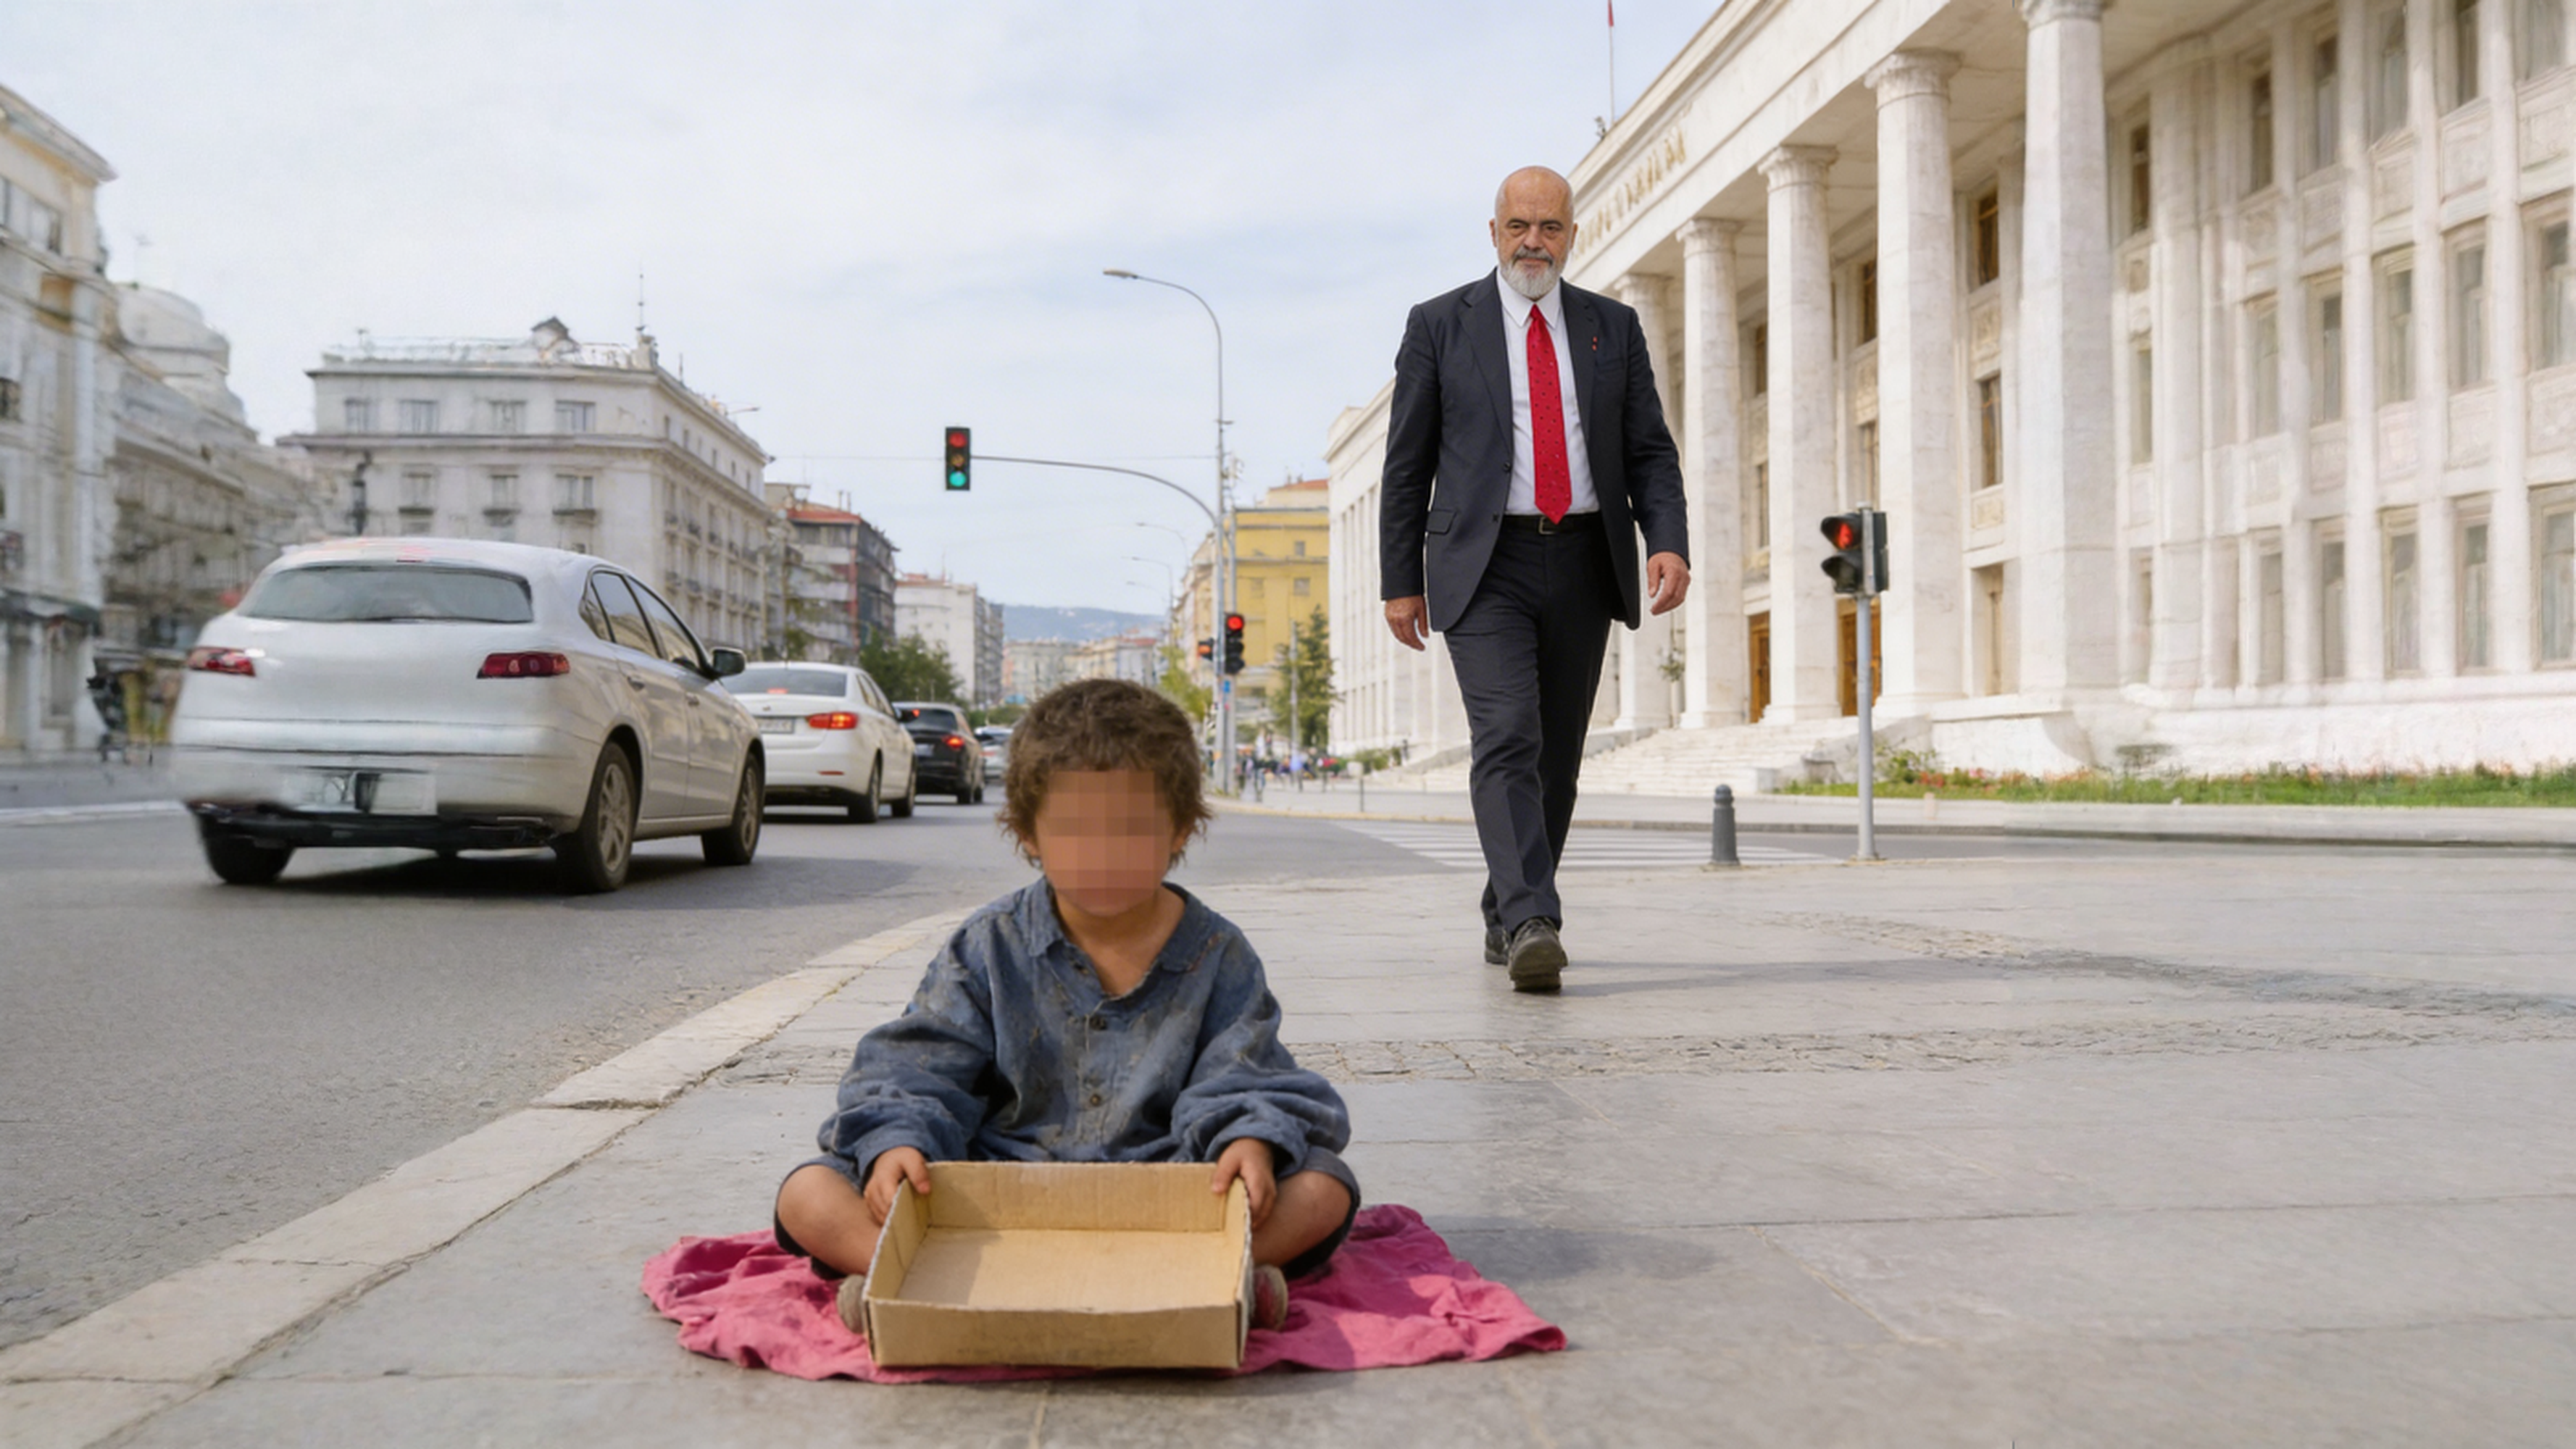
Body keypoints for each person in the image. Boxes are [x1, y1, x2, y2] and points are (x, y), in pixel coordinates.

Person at [772, 678, 1359, 1334]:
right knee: (809, 1194)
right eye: (1074, 830)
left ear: (1182, 829)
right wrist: (895, 1145)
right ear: (1027, 832)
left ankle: (1194, 1276)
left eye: (1131, 829)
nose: (1102, 854)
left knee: (1323, 1187)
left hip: (1167, 1195)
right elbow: (918, 1066)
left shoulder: (1219, 952)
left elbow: (1245, 1071)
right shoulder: (988, 943)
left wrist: (1248, 1139)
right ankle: (915, 1275)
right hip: (994, 1201)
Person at [1379, 165, 1692, 994]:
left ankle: (1505, 908)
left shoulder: (1611, 327)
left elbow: (1649, 450)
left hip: (1587, 555)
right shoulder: (1440, 325)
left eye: (1549, 227)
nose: (1533, 242)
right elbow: (1406, 466)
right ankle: (1531, 920)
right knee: (1508, 735)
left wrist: (1667, 538)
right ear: (1493, 232)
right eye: (1519, 225)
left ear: (1572, 236)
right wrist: (1398, 577)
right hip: (1485, 564)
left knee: (1556, 758)